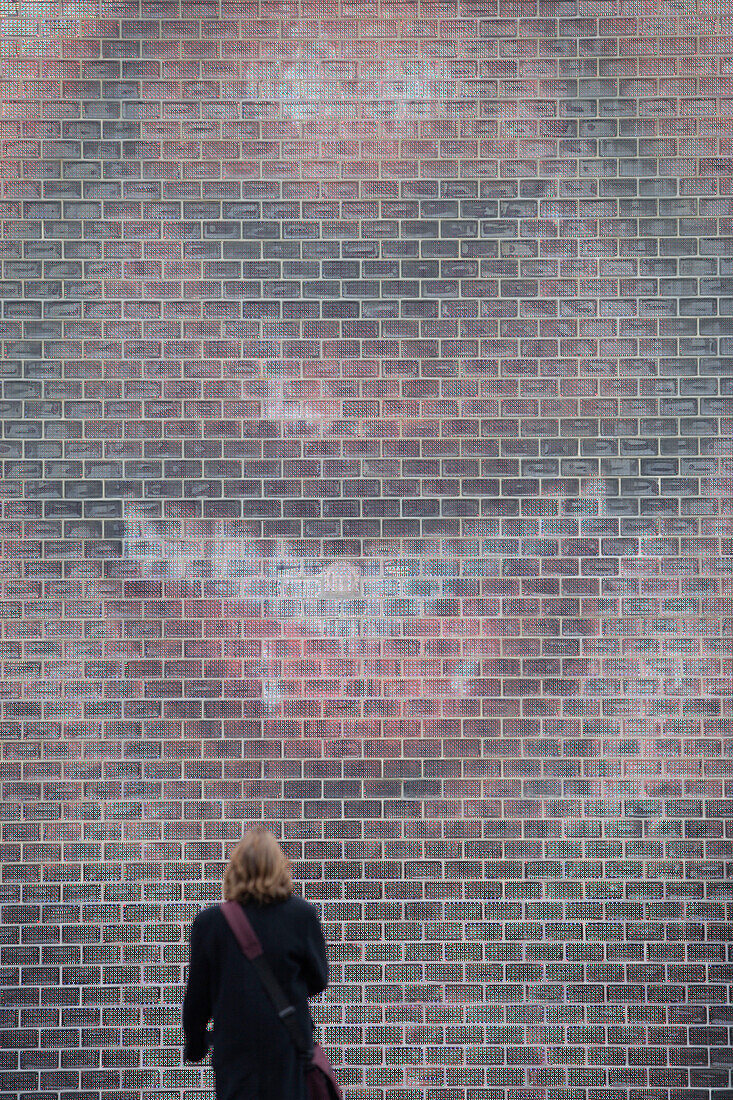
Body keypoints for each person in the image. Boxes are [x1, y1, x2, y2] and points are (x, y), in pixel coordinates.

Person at [182, 828, 329, 1100]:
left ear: (234, 870)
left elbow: (197, 999)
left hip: (236, 1051)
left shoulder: (210, 923)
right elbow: (319, 979)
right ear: (279, 868)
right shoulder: (301, 915)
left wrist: (195, 1044)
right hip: (287, 1046)